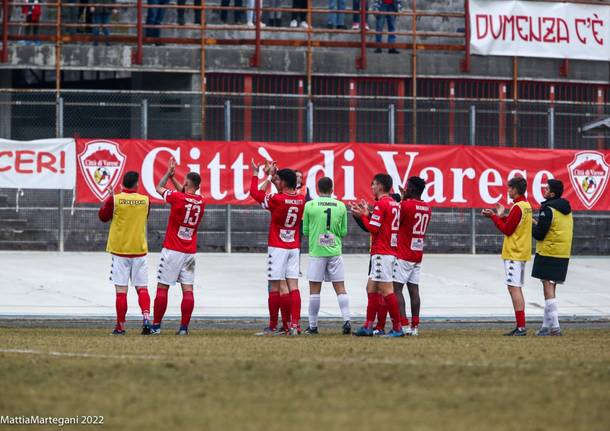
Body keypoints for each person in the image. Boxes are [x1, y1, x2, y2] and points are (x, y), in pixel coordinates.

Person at [250, 160, 306, 336]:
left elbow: (255, 193)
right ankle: (294, 325)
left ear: (283, 183)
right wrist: (275, 176)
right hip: (294, 247)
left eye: (279, 180)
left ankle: (273, 326)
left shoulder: (277, 199)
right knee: (293, 286)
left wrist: (260, 174)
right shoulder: (300, 199)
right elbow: (284, 191)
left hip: (278, 246)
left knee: (275, 286)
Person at [151, 157, 205, 335]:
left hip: (172, 250)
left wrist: (168, 173)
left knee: (162, 287)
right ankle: (183, 328)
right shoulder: (201, 202)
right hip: (189, 252)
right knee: (187, 289)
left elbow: (158, 188)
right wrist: (176, 179)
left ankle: (156, 326)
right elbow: (185, 193)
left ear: (187, 182)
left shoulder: (177, 198)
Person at [98, 171, 151, 335]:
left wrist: (109, 198)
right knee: (142, 288)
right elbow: (145, 216)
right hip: (139, 251)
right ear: (137, 184)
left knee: (121, 291)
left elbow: (103, 217)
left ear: (122, 184)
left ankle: (120, 326)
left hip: (121, 252)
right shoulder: (145, 201)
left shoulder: (116, 200)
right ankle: (147, 318)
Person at [350, 173, 404, 337]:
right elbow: (383, 224)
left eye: (373, 184)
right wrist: (367, 214)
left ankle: (397, 328)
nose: (371, 187)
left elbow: (373, 229)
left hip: (382, 251)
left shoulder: (381, 204)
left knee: (387, 290)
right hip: (388, 251)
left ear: (380, 186)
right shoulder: (394, 203)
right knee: (371, 287)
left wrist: (363, 216)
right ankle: (368, 326)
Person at [482, 176, 532, 336]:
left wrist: (494, 217)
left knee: (513, 288)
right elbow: (513, 223)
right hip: (521, 251)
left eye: (510, 188)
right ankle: (521, 326)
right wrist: (501, 215)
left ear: (515, 190)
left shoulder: (518, 207)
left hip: (514, 253)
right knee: (516, 288)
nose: (508, 191)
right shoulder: (526, 206)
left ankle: (521, 327)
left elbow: (507, 229)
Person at [302, 177, 351, 335]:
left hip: (317, 252)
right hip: (335, 251)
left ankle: (313, 326)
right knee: (340, 287)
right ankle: (346, 320)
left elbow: (305, 231)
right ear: (332, 189)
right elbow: (343, 232)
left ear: (317, 190)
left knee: (315, 290)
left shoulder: (309, 205)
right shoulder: (341, 206)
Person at [532, 179, 573, 336]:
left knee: (547, 287)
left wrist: (530, 225)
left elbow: (539, 234)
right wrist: (537, 222)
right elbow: (553, 227)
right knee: (551, 288)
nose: (544, 190)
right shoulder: (566, 209)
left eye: (547, 188)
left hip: (549, 251)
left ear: (552, 193)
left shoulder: (548, 208)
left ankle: (555, 327)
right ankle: (545, 326)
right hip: (562, 252)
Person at [392, 176, 430, 336]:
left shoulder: (405, 206)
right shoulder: (427, 208)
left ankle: (404, 324)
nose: (404, 189)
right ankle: (415, 326)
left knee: (396, 289)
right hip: (417, 253)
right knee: (414, 290)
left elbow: (396, 222)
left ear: (412, 189)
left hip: (403, 253)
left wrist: (402, 200)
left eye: (407, 187)